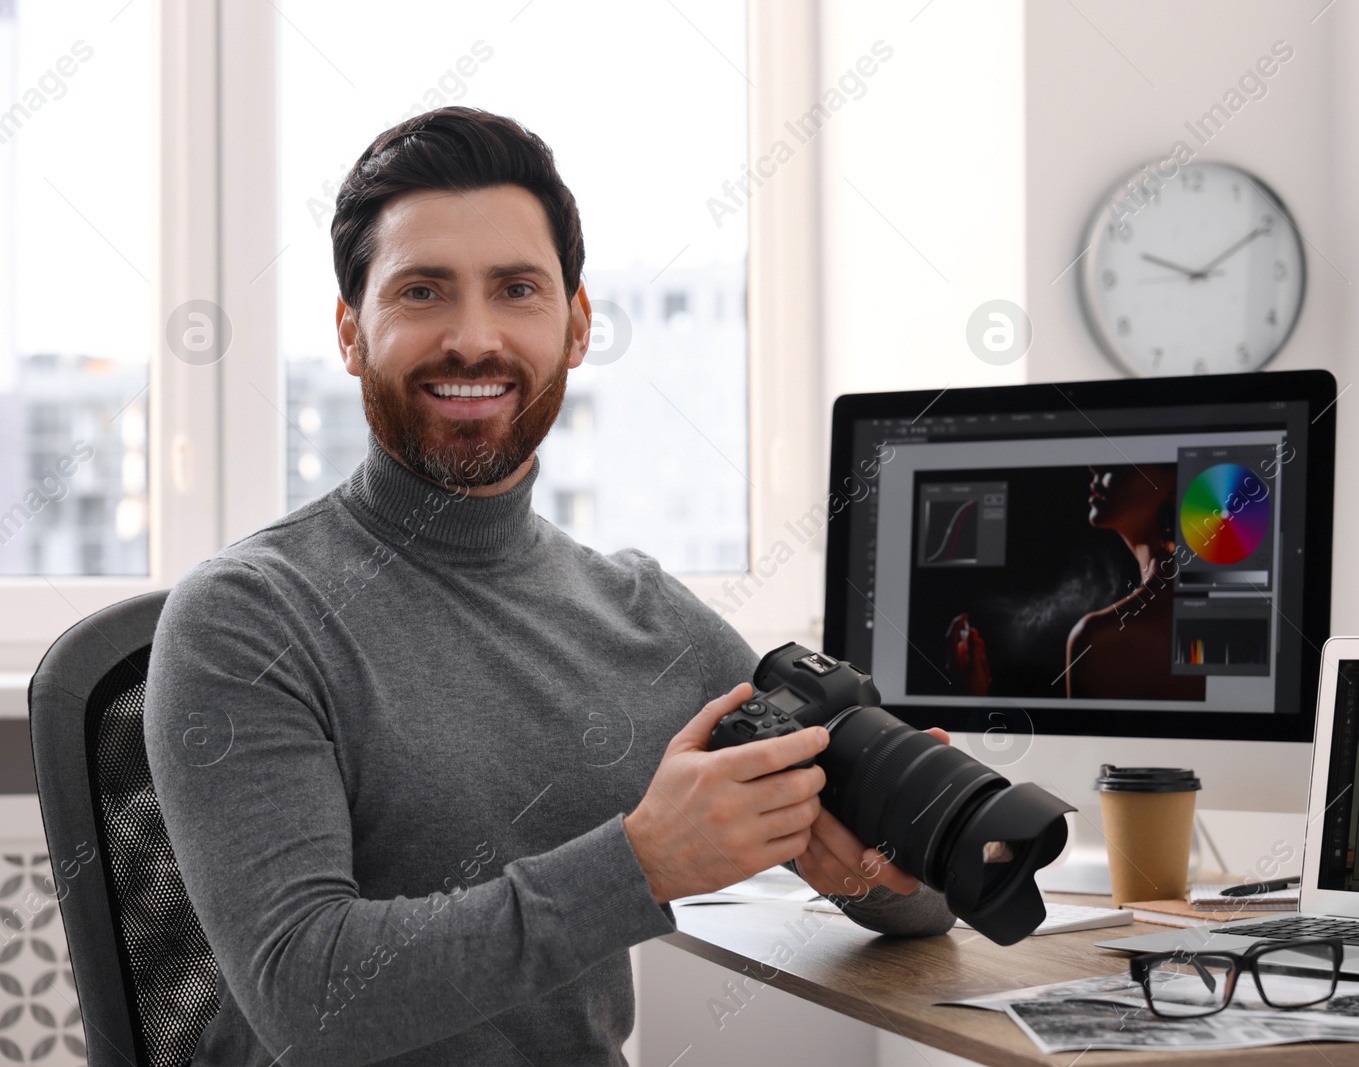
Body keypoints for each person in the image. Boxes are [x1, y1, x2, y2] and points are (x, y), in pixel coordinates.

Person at [144, 107, 953, 1067]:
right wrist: (643, 862)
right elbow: (309, 997)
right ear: (352, 332)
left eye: (517, 289)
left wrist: (881, 864)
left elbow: (923, 904)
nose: (472, 338)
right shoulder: (247, 617)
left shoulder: (644, 617)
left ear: (574, 329)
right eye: (422, 292)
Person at [944, 465, 1203, 700]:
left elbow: (1080, 752)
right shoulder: (1208, 606)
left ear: (1176, 483)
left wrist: (969, 699)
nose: (1094, 467)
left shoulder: (1101, 637)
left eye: (1121, 464)